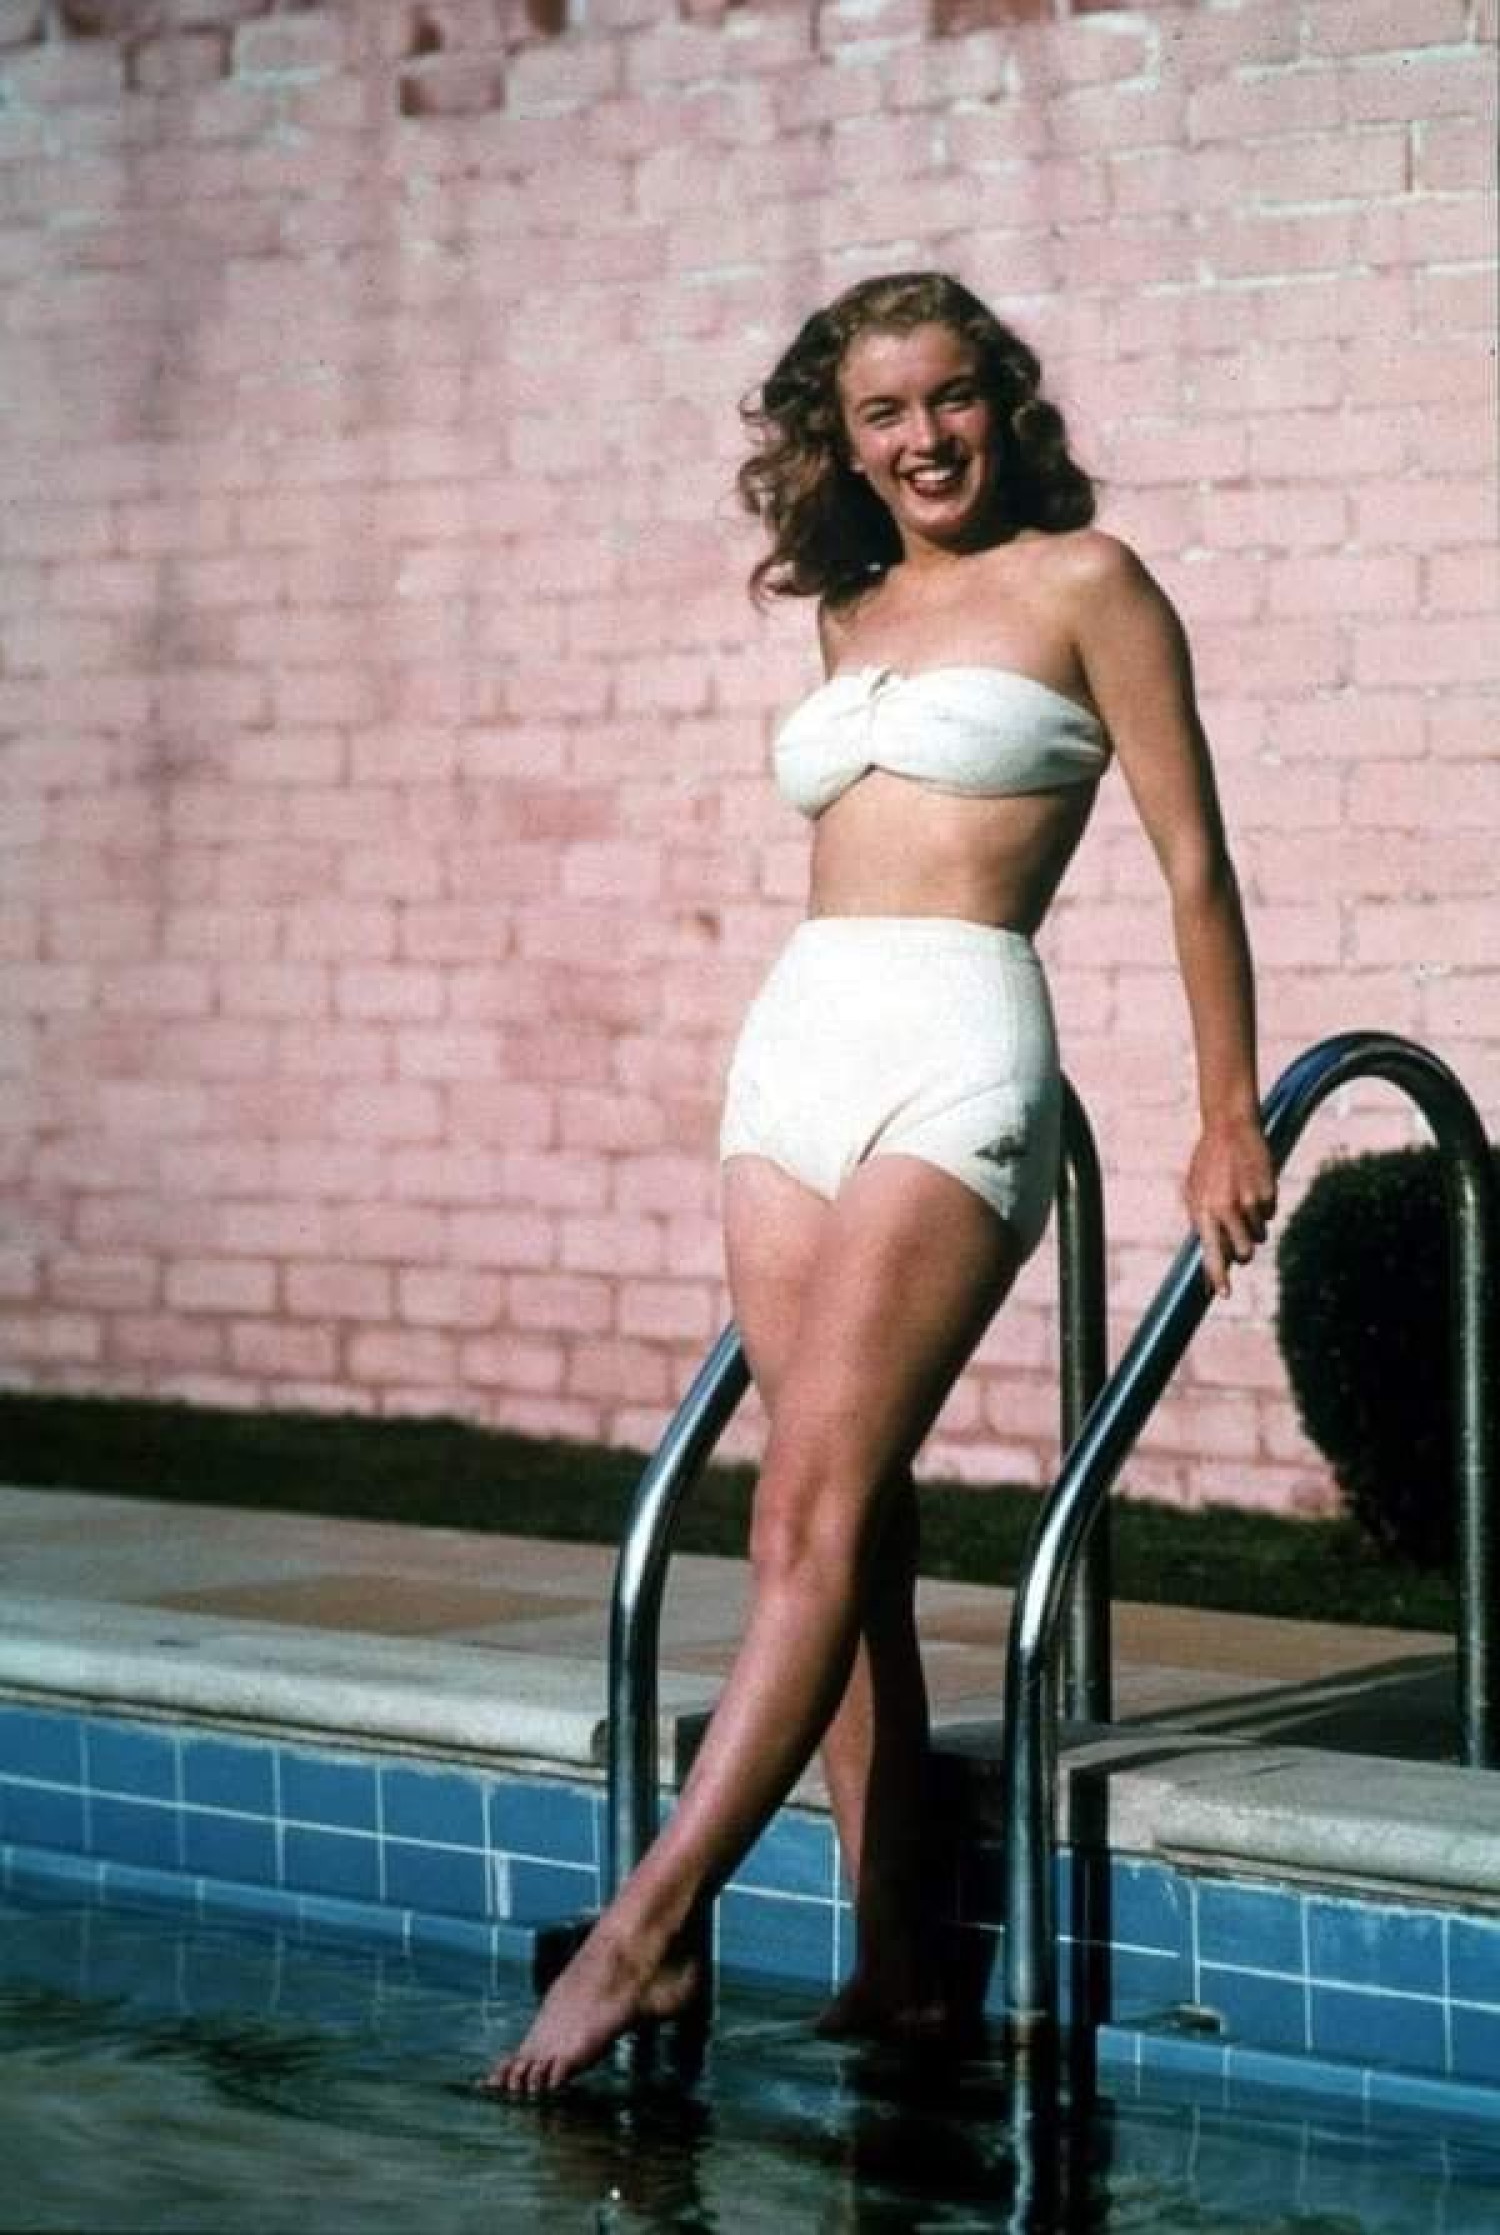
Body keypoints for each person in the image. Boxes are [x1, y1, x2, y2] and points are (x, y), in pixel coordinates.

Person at [485, 270, 1277, 2097]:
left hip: (956, 1044)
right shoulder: (846, 612)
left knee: (804, 1514)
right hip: (795, 1055)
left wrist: (1228, 1108)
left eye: (951, 398)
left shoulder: (1090, 583)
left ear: (1004, 400)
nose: (925, 438)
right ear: (841, 443)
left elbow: (1194, 864)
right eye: (883, 414)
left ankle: (648, 1928)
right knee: (853, 1523)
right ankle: (898, 1957)